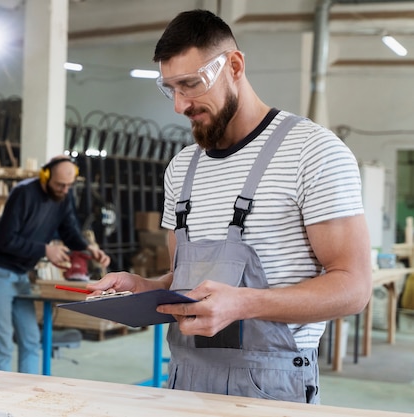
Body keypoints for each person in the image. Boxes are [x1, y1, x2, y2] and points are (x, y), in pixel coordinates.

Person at [87, 9, 372, 404]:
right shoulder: (181, 168)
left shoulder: (313, 152)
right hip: (184, 379)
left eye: (191, 84)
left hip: (270, 387)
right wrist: (147, 288)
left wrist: (244, 304)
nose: (179, 105)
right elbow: (189, 284)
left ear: (234, 65)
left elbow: (354, 288)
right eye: (170, 89)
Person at [0, 155, 110, 373]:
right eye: (60, 185)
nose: (65, 190)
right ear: (45, 176)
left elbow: (70, 231)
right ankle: (0, 399)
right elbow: (4, 240)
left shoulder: (64, 196)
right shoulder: (23, 193)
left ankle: (25, 397)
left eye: (69, 185)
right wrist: (45, 249)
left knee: (30, 339)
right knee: (2, 344)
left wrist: (88, 248)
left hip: (22, 275)